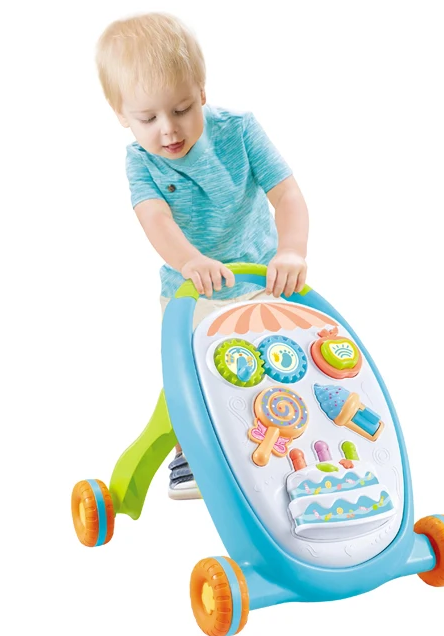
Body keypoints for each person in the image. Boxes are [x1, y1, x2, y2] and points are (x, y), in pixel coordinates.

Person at [95, 14, 309, 494]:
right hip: (192, 290)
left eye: (182, 109)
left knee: (280, 366)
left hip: (262, 280)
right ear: (121, 114)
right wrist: (190, 261)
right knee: (192, 373)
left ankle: (283, 446)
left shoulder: (240, 130)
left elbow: (287, 194)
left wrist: (292, 251)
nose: (169, 130)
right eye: (148, 119)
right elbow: (155, 218)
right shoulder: (140, 161)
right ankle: (190, 450)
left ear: (202, 92)